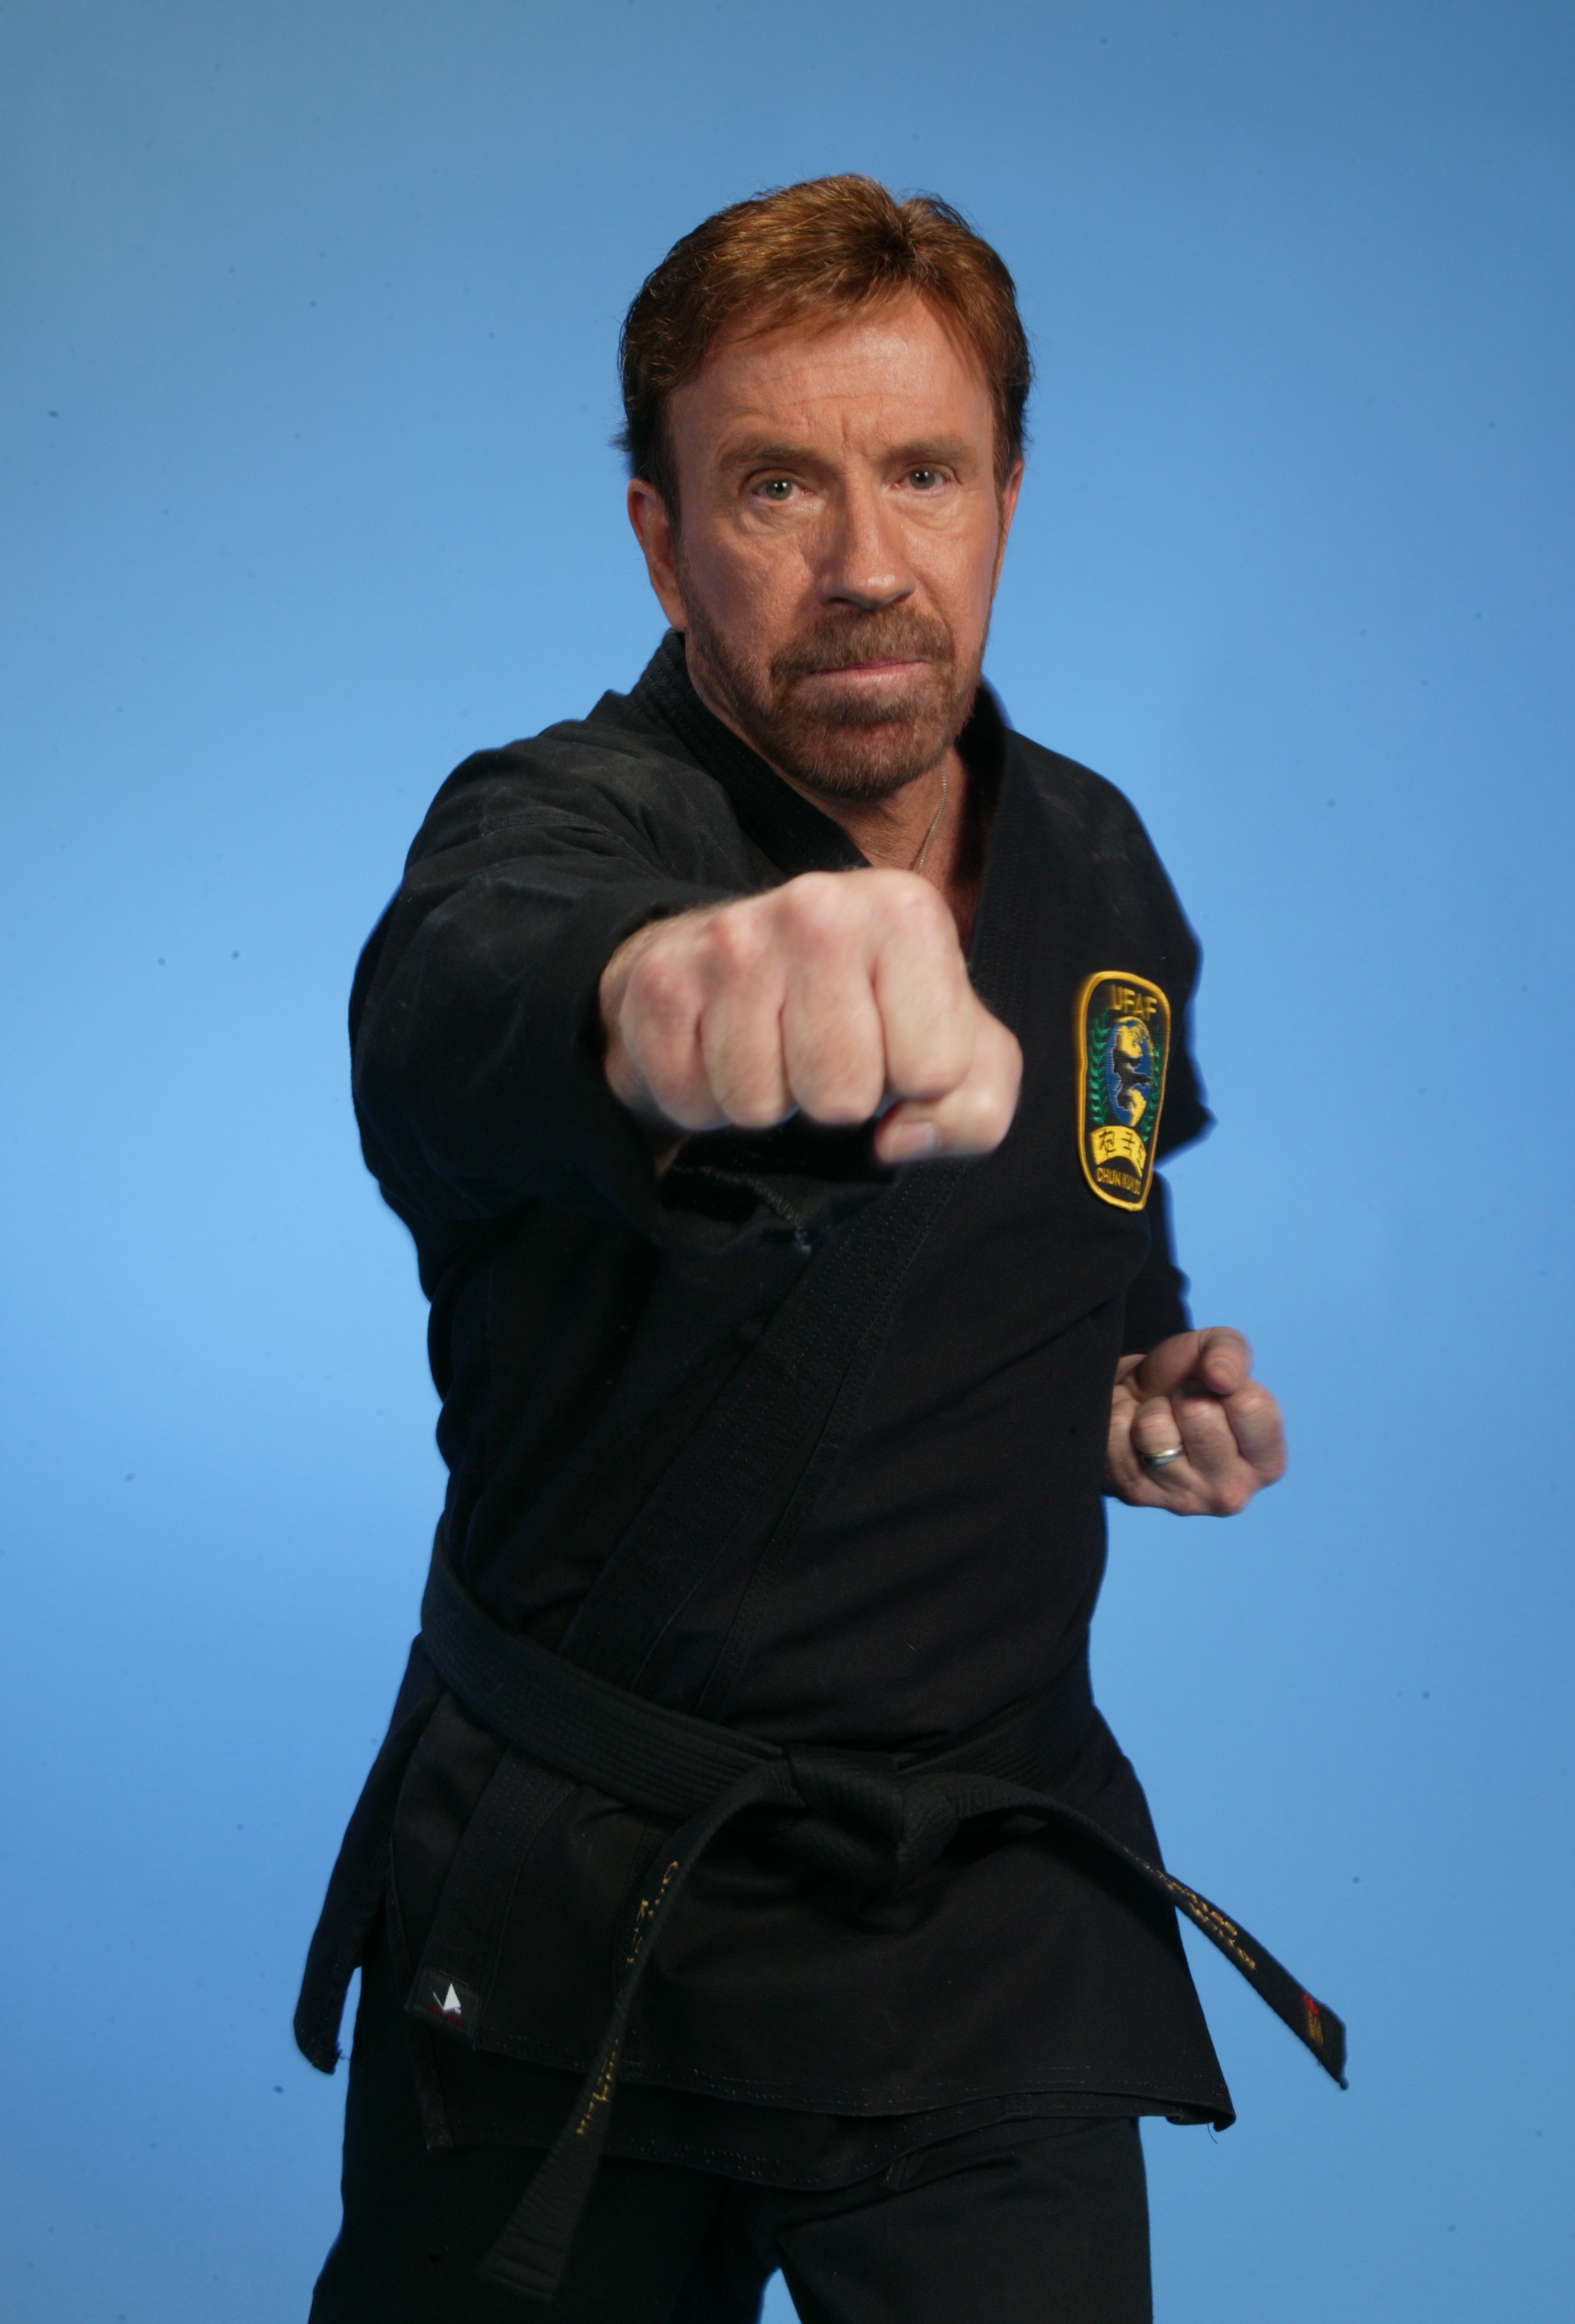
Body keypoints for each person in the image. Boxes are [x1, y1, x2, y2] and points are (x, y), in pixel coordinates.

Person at [298, 175, 1337, 2324]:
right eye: (776, 484)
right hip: (577, 1911)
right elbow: (464, 1002)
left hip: (986, 1912)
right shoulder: (554, 833)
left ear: (1008, 499)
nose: (867, 562)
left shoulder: (1096, 866)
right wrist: (667, 1000)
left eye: (924, 474)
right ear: (660, 538)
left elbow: (1109, 1189)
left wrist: (1131, 1376)